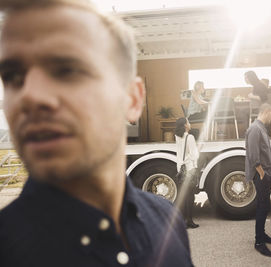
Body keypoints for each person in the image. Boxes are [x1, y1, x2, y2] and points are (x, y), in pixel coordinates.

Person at [0, 1, 193, 266]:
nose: (30, 96)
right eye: (12, 76)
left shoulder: (167, 221)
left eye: (66, 70)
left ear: (132, 99)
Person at [245, 103, 271, 257]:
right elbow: (253, 155)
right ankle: (259, 242)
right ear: (266, 112)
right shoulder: (255, 129)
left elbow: (264, 149)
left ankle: (262, 235)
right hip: (261, 173)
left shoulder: (260, 127)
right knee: (262, 207)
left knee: (266, 205)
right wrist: (262, 173)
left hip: (266, 172)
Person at [175, 117, 200, 229]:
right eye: (188, 122)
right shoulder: (190, 137)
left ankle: (183, 221)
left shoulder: (177, 136)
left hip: (181, 168)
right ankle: (189, 221)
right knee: (190, 196)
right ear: (185, 125)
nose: (190, 124)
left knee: (184, 196)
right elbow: (194, 155)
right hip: (189, 169)